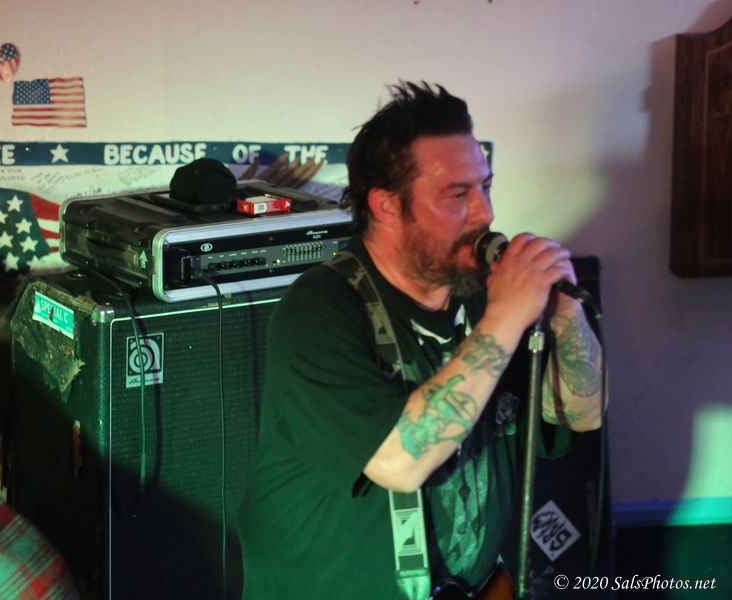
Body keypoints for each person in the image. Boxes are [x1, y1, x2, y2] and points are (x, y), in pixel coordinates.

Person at [237, 81, 604, 599]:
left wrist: (564, 310)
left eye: (485, 187)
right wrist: (507, 316)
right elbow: (398, 461)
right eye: (457, 195)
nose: (484, 213)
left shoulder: (486, 293)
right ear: (387, 205)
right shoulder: (320, 307)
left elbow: (582, 413)